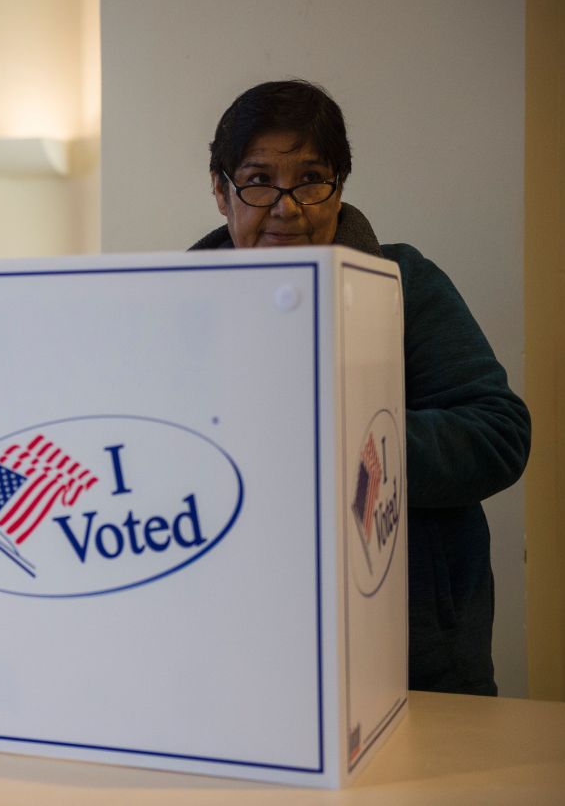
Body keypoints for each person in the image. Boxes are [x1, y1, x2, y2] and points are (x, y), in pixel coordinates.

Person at [190, 80, 531, 696]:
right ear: (221, 190)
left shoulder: (406, 284)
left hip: (412, 659)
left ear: (340, 186)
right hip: (233, 653)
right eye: (259, 179)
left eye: (311, 178)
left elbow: (498, 434)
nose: (287, 207)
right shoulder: (174, 304)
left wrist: (342, 439)